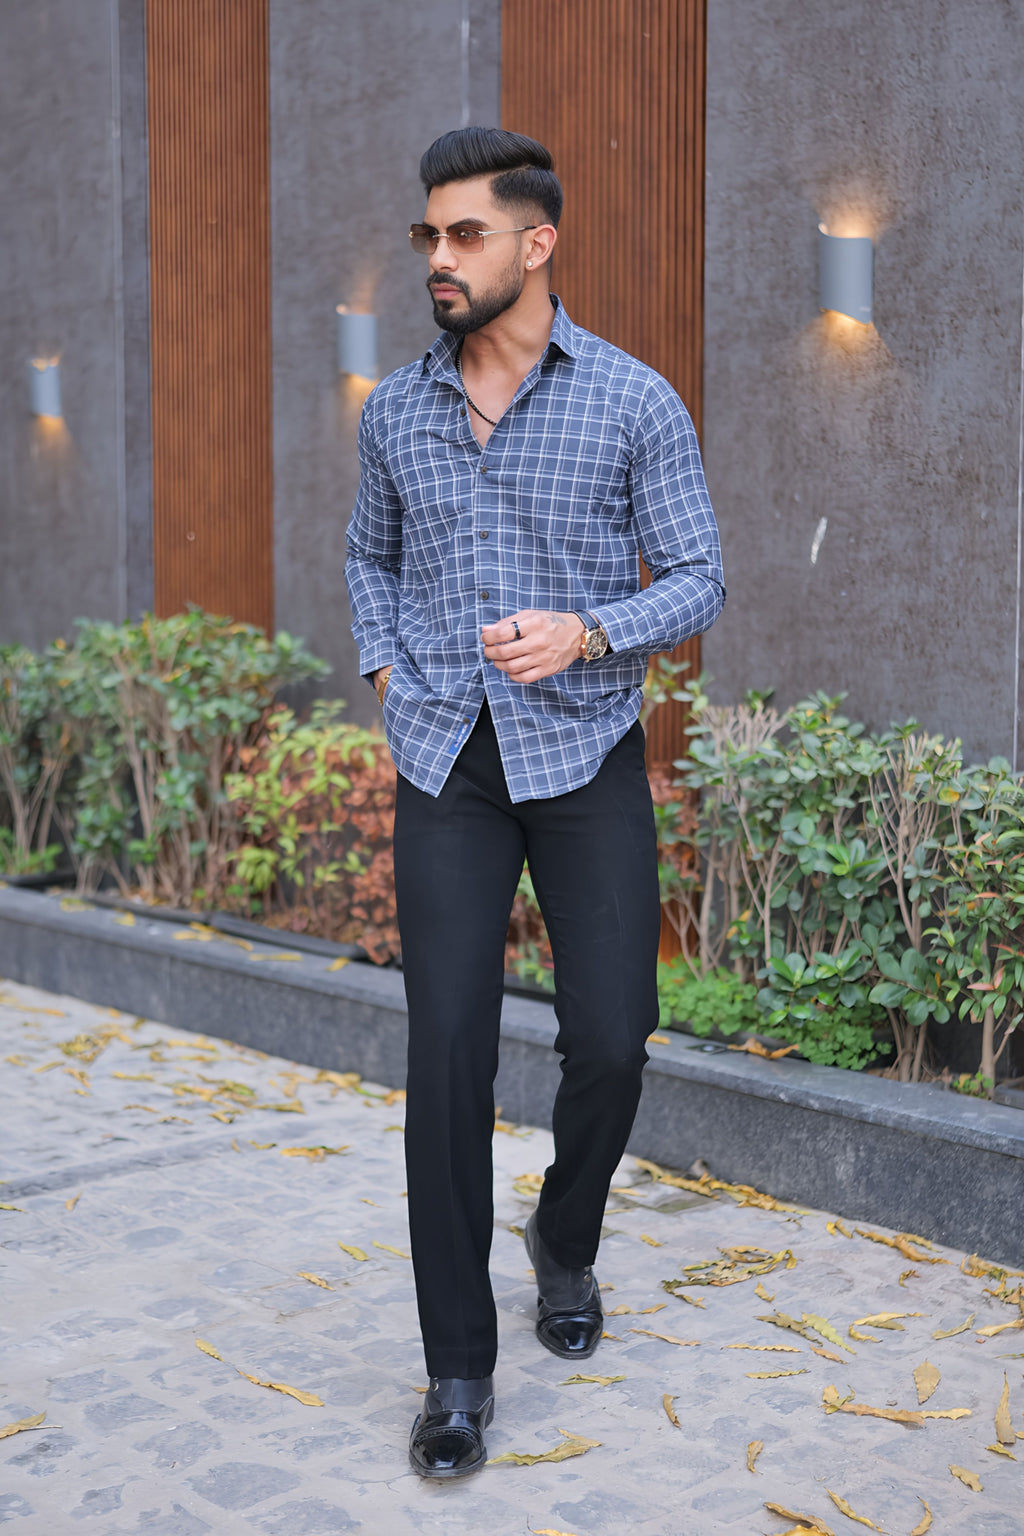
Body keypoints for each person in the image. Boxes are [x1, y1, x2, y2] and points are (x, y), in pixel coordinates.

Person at [345, 125, 724, 1480]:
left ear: (536, 243)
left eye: (465, 236)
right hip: (446, 761)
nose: (439, 261)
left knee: (615, 1038)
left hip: (582, 755)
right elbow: (367, 552)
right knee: (444, 1052)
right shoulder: (396, 408)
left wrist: (590, 632)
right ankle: (457, 1369)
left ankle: (565, 1236)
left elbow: (698, 574)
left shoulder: (631, 401)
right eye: (427, 237)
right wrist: (386, 661)